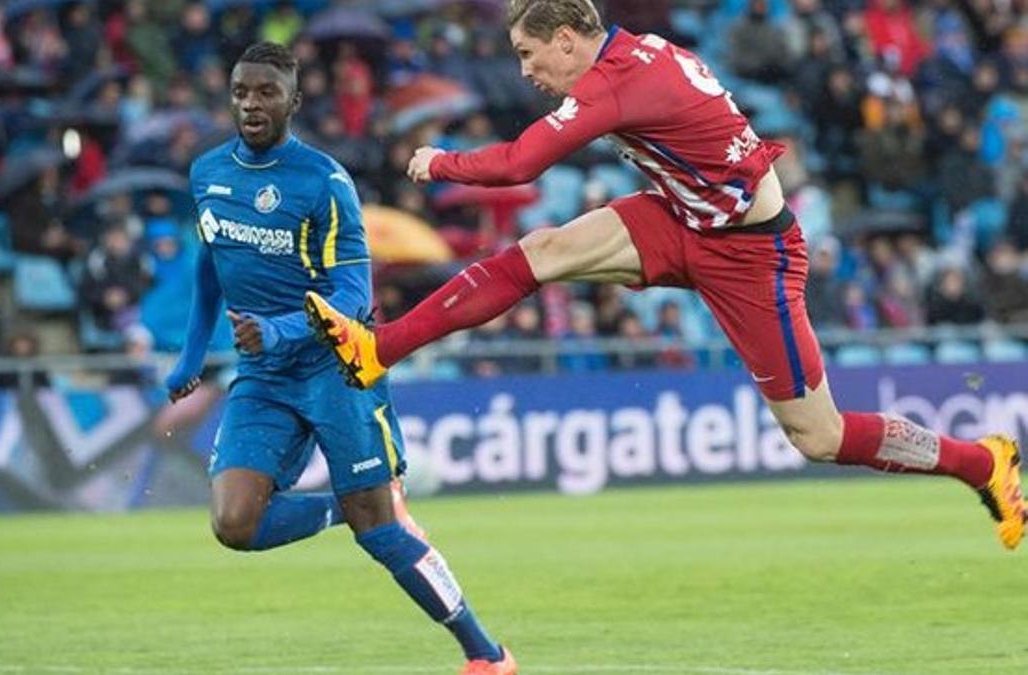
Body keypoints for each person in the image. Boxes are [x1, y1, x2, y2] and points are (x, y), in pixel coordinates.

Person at [305, 0, 1025, 551]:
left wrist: (440, 162)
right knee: (545, 249)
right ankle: (379, 347)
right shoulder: (629, 59)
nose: (526, 71)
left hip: (753, 255)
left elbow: (520, 165)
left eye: (530, 54)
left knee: (820, 435)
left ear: (566, 40)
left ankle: (981, 461)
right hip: (683, 217)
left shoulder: (621, 84)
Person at [164, 43, 517, 675]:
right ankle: (341, 509)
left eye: (266, 92)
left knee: (381, 534)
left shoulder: (323, 182)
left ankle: (486, 655)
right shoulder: (207, 173)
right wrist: (191, 355)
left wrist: (274, 329)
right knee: (233, 524)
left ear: (294, 102)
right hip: (265, 379)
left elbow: (354, 295)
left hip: (339, 369)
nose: (251, 102)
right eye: (241, 90)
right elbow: (210, 263)